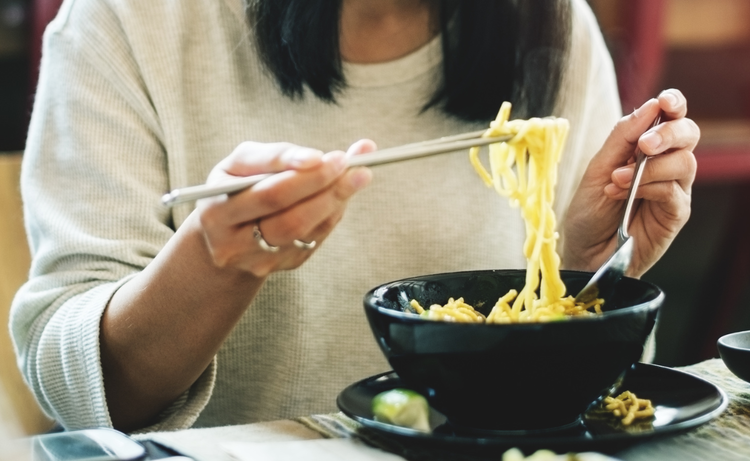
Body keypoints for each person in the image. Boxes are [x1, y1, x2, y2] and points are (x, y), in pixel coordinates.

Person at [11, 0, 698, 433]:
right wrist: (213, 263)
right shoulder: (127, 22)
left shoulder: (551, 23)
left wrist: (585, 277)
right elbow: (80, 388)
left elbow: (593, 413)